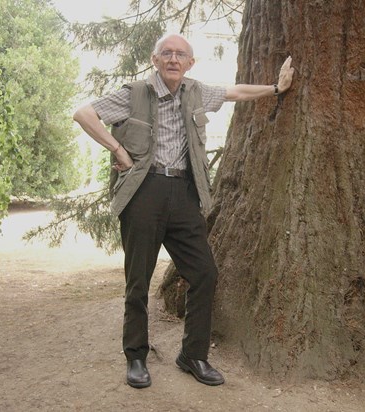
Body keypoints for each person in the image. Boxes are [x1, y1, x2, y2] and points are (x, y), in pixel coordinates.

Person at [73, 33, 294, 389]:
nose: (174, 59)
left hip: (185, 193)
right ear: (155, 60)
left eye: (181, 54)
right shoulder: (135, 94)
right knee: (138, 282)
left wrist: (276, 89)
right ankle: (136, 358)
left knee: (204, 272)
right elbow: (84, 114)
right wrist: (118, 150)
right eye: (167, 54)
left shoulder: (196, 91)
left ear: (190, 63)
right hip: (144, 192)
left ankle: (193, 354)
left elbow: (235, 92)